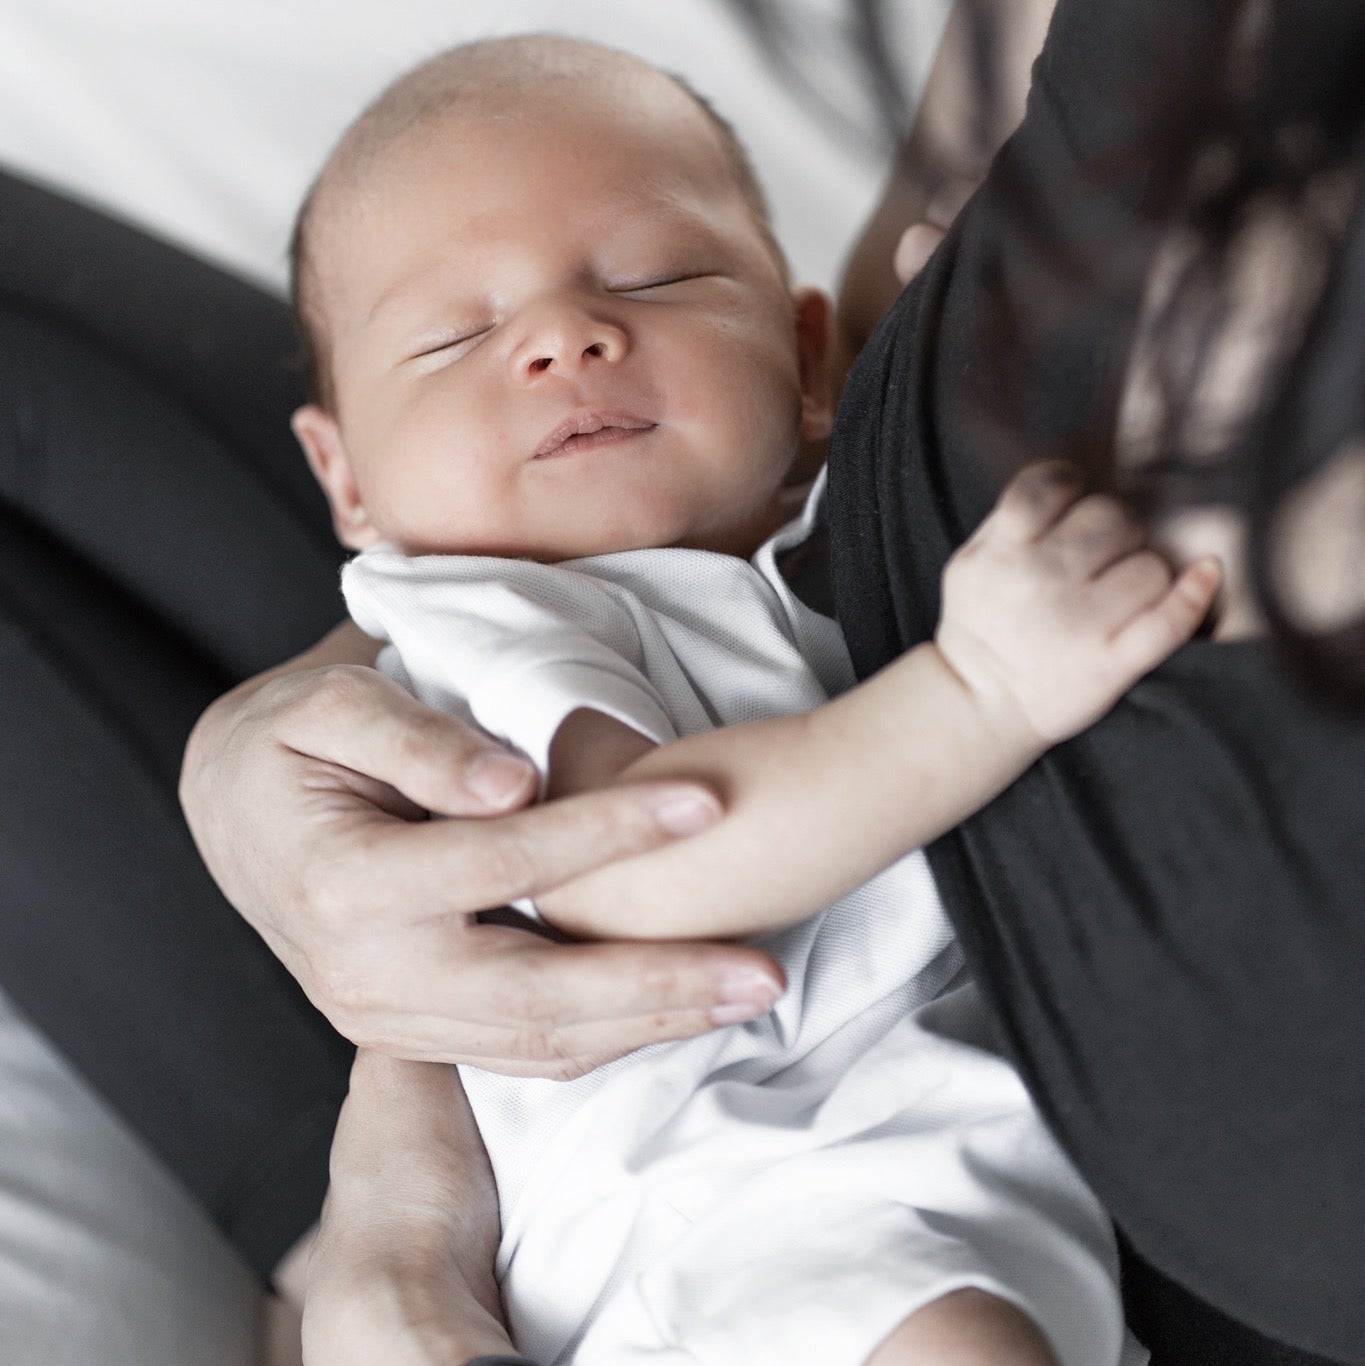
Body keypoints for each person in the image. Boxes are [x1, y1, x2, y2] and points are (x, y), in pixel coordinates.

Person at [183, 3, 1365, 1366]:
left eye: (656, 280)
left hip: (913, 1160)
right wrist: (979, 688)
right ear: (346, 479)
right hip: (724, 1194)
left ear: (808, 364)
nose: (565, 336)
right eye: (454, 336)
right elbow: (634, 856)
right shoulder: (491, 617)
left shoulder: (800, 554)